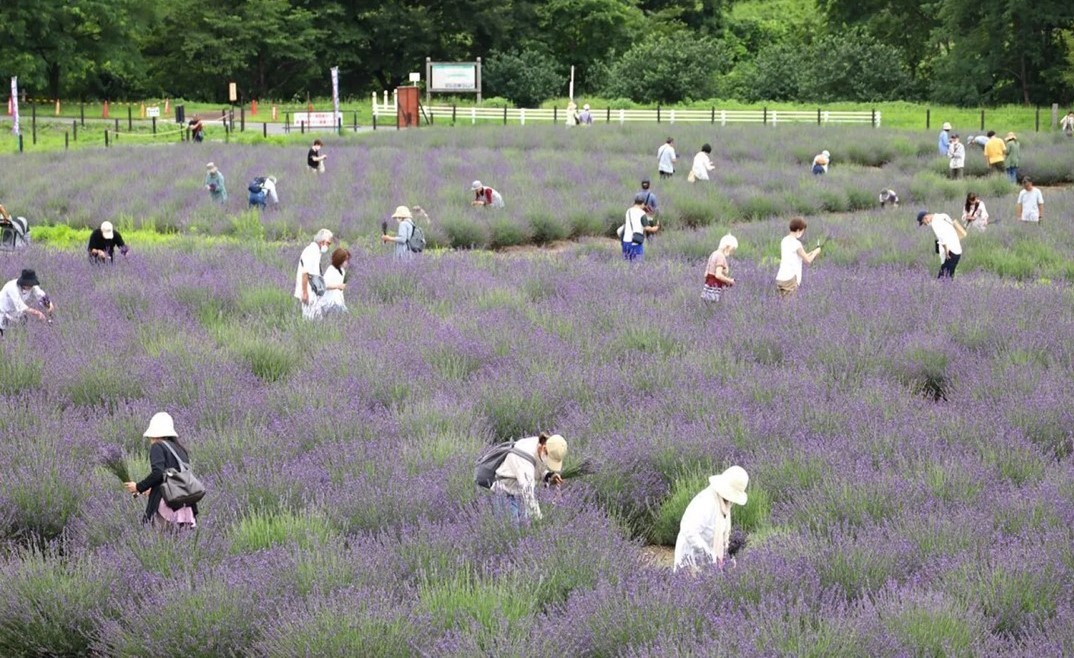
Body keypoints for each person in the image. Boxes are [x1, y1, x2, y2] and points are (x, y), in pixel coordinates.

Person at [123, 412, 198, 529]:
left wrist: (138, 487)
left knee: (160, 542)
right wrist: (153, 489)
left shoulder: (158, 446)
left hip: (167, 508)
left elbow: (158, 473)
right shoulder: (180, 449)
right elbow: (172, 477)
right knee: (180, 545)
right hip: (185, 509)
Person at [673, 466, 749, 572]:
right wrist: (709, 556)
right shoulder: (706, 502)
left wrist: (726, 559)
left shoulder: (725, 505)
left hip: (709, 561)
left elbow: (723, 536)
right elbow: (689, 531)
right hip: (690, 556)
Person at [489, 432, 567, 522]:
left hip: (518, 494)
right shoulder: (524, 460)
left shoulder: (538, 444)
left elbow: (538, 467)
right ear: (544, 448)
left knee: (523, 528)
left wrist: (549, 476)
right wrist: (541, 522)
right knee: (513, 532)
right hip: (504, 493)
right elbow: (528, 494)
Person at [775, 217, 821, 297]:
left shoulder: (784, 240)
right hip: (790, 279)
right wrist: (816, 252)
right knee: (790, 307)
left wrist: (813, 252)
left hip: (780, 278)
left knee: (781, 305)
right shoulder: (797, 244)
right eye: (803, 231)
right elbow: (808, 260)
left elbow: (800, 256)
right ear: (799, 230)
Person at [0, 269, 53, 337]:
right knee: (2, 333)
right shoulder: (12, 288)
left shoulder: (32, 286)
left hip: (14, 312)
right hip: (2, 310)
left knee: (19, 330)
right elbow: (20, 305)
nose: (31, 287)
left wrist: (49, 304)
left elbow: (40, 295)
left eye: (31, 284)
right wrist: (37, 313)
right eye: (29, 284)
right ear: (23, 282)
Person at [294, 228, 333, 320]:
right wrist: (304, 293)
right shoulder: (311, 251)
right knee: (310, 320)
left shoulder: (316, 252)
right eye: (328, 243)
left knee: (316, 321)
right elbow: (305, 273)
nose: (328, 246)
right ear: (321, 241)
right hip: (309, 293)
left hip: (314, 292)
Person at [917, 210, 965, 278]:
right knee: (949, 274)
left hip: (950, 251)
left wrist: (946, 250)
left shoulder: (935, 223)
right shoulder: (943, 216)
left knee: (943, 278)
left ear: (925, 218)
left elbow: (942, 239)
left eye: (924, 223)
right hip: (957, 248)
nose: (925, 224)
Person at [620, 193, 660, 261]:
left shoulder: (628, 211)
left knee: (626, 264)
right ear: (642, 204)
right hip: (636, 242)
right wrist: (656, 228)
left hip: (626, 242)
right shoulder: (642, 213)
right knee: (637, 265)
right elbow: (647, 228)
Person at [702, 234, 737, 302]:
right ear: (727, 247)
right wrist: (730, 281)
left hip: (707, 289)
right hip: (715, 291)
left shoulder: (713, 254)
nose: (732, 253)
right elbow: (718, 275)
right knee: (715, 309)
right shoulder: (720, 256)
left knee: (709, 309)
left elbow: (705, 274)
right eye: (732, 250)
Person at [316, 248, 349, 316]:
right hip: (329, 303)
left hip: (338, 301)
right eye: (345, 260)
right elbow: (324, 285)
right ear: (340, 260)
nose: (347, 262)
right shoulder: (331, 270)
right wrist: (338, 286)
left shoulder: (342, 271)